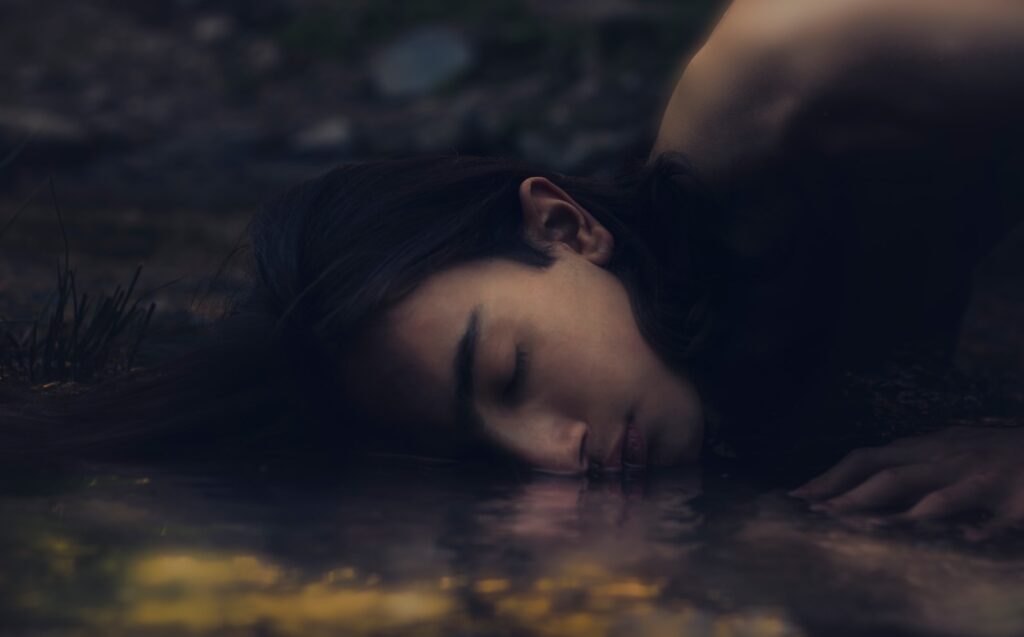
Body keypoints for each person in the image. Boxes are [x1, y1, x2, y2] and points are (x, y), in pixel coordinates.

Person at [4, 0, 1023, 535]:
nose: (551, 456)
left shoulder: (807, 67)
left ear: (561, 226)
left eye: (506, 375)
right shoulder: (729, 335)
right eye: (487, 453)